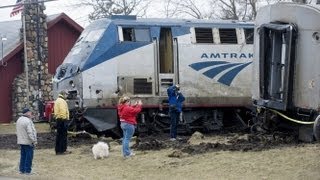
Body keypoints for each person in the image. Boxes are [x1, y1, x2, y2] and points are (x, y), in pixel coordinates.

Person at [16, 108, 37, 175]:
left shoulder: (19, 120)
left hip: (21, 141)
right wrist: (34, 141)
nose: (31, 114)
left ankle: (21, 170)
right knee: (29, 156)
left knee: (23, 156)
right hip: (28, 142)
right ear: (27, 113)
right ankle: (28, 171)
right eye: (30, 112)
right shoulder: (28, 121)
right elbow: (30, 132)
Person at [53, 91, 70, 155]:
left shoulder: (58, 100)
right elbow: (63, 110)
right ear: (63, 94)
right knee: (63, 136)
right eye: (66, 94)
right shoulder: (62, 101)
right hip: (62, 120)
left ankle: (58, 150)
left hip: (58, 119)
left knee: (59, 135)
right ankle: (63, 150)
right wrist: (64, 119)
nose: (67, 96)